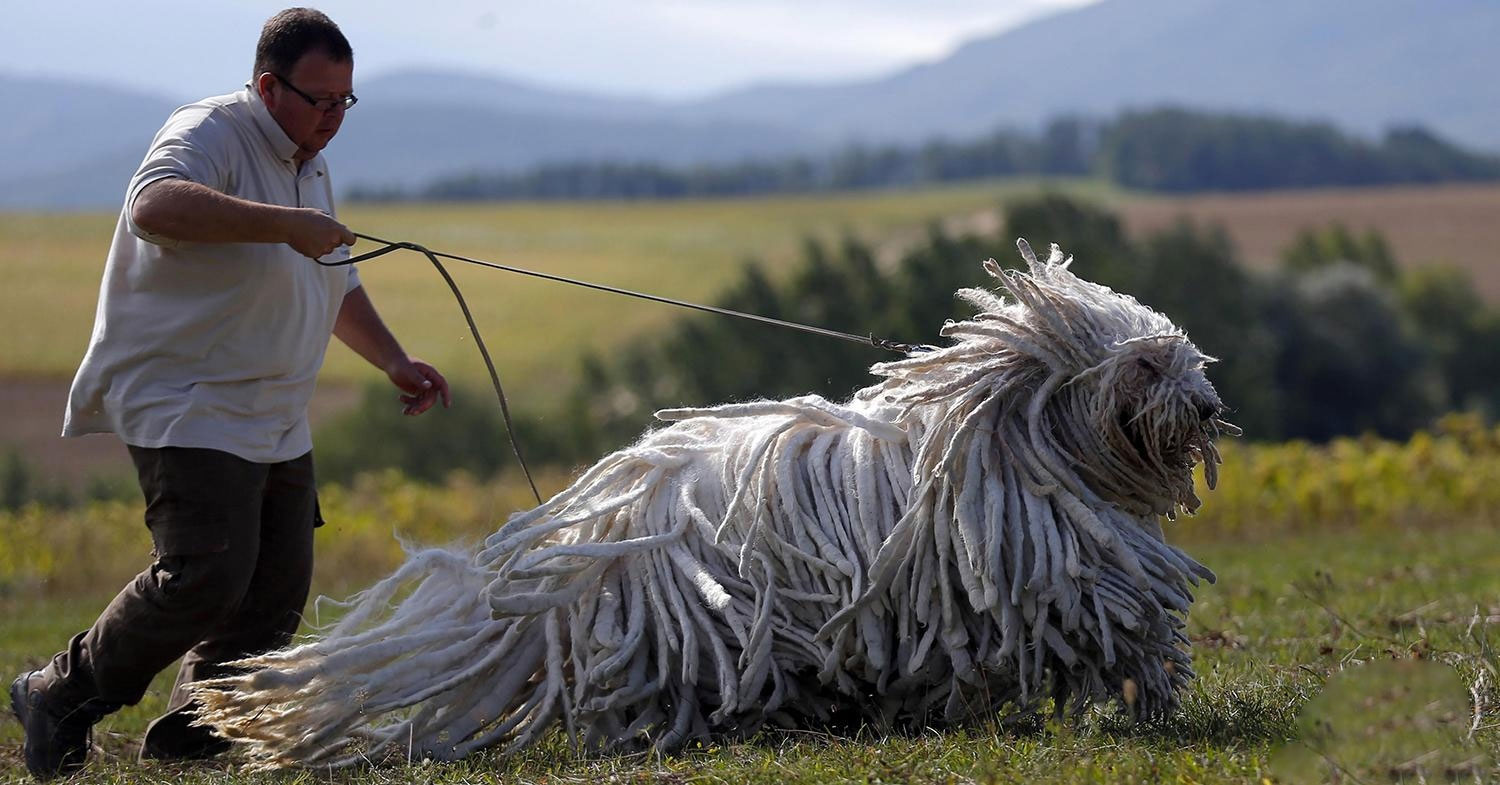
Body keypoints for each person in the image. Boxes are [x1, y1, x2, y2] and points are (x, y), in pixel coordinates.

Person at [9, 8, 450, 779]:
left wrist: (393, 359)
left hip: (274, 410)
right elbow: (153, 206)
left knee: (275, 588)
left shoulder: (309, 159)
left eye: (344, 101)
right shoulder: (208, 132)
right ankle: (59, 693)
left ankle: (197, 734)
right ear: (267, 87)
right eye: (319, 99)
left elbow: (333, 282)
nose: (333, 117)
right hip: (188, 398)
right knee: (206, 573)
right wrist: (284, 224)